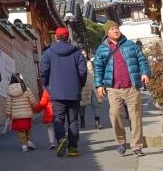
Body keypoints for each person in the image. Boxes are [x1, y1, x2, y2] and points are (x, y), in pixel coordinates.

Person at [93, 24, 152, 156]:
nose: (115, 30)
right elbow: (98, 68)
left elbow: (142, 59)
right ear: (107, 33)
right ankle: (120, 141)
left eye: (116, 28)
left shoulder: (130, 45)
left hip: (131, 86)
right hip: (114, 88)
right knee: (114, 114)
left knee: (135, 116)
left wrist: (145, 73)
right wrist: (99, 85)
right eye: (112, 29)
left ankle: (137, 146)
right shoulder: (102, 49)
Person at [39, 26, 87, 157]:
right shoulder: (77, 52)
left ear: (56, 37)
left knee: (58, 118)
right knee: (73, 120)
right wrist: (79, 85)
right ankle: (73, 147)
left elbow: (43, 71)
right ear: (68, 37)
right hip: (73, 91)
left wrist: (47, 85)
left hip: (56, 91)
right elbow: (83, 71)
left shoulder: (48, 52)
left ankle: (61, 138)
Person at [5, 73, 38, 151]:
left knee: (20, 130)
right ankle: (29, 141)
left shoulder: (9, 90)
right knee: (27, 128)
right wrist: (35, 107)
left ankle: (24, 145)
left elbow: (9, 103)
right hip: (26, 113)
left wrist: (8, 113)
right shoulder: (25, 88)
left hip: (16, 115)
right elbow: (32, 100)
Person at [80, 49, 100, 130]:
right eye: (82, 54)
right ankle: (82, 120)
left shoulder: (91, 62)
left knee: (95, 104)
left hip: (92, 86)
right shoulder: (78, 63)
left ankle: (97, 122)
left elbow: (97, 73)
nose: (83, 55)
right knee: (82, 106)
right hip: (83, 88)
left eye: (85, 54)